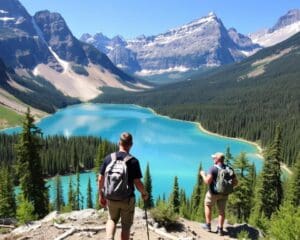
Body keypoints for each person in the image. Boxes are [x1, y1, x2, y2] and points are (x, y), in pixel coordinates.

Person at [98, 132, 148, 240]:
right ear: (131, 144)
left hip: (111, 197)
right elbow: (138, 183)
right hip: (127, 199)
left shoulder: (109, 158)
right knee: (126, 226)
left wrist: (101, 195)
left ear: (119, 143)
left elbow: (100, 179)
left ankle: (109, 238)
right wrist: (144, 193)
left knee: (111, 219)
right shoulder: (133, 161)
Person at [200, 152, 238, 236]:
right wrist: (227, 186)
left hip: (213, 194)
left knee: (208, 205)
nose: (213, 159)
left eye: (214, 158)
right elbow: (236, 182)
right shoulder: (229, 169)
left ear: (217, 159)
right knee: (221, 211)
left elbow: (207, 181)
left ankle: (208, 226)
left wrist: (203, 174)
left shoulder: (213, 169)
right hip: (224, 194)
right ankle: (220, 229)